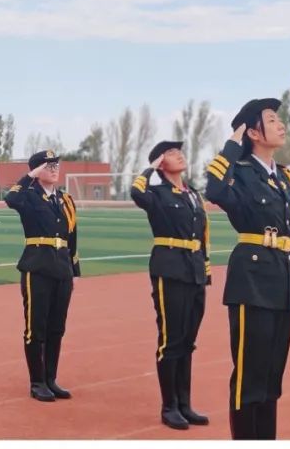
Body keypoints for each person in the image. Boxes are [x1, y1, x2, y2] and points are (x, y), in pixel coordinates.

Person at [203, 98, 290, 439]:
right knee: (250, 377)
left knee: (272, 378)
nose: (281, 125)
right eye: (272, 120)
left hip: (283, 278)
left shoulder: (284, 178)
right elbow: (213, 188)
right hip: (253, 278)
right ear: (254, 132)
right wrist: (233, 143)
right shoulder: (239, 173)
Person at [131, 140, 211, 429]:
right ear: (161, 164)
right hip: (170, 269)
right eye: (171, 153)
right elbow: (135, 191)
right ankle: (169, 407)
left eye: (180, 151)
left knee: (188, 341)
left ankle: (185, 404)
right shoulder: (156, 193)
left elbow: (202, 235)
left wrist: (205, 270)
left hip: (194, 270)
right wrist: (149, 168)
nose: (179, 154)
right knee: (171, 340)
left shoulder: (193, 195)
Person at [3, 149, 80, 402]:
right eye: (48, 165)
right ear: (36, 171)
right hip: (37, 266)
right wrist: (29, 176)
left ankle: (50, 379)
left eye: (56, 164)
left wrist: (74, 271)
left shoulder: (65, 199)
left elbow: (73, 237)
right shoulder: (28, 196)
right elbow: (10, 198)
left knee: (57, 327)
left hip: (62, 268)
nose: (55, 168)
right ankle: (37, 382)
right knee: (36, 328)